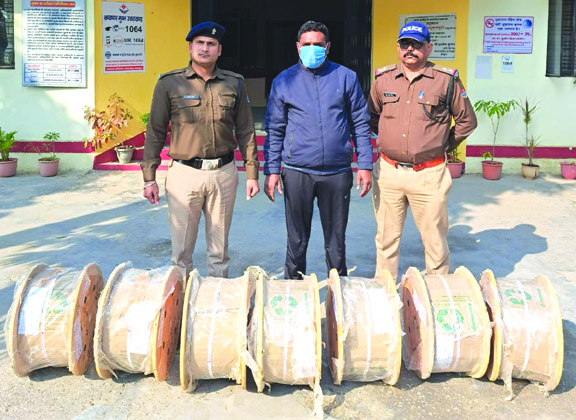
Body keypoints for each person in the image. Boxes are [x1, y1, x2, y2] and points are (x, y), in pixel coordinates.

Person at [141, 22, 260, 279]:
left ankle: (216, 298)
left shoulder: (234, 83)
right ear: (190, 47)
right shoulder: (169, 84)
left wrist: (252, 174)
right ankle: (180, 298)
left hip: (223, 174)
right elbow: (155, 131)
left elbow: (246, 131)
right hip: (185, 175)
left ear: (219, 50)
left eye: (211, 44)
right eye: (200, 43)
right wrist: (149, 178)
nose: (205, 48)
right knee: (182, 251)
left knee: (219, 250)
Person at [368, 21, 477, 281]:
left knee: (435, 242)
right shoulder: (383, 79)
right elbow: (371, 117)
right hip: (389, 173)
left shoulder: (446, 81)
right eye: (405, 44)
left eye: (416, 45)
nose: (410, 49)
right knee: (385, 240)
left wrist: (441, 144)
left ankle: (437, 291)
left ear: (429, 48)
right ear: (398, 48)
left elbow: (467, 121)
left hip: (429, 175)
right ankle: (384, 290)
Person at [264, 20, 373, 280]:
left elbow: (360, 122)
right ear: (297, 47)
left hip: (337, 172)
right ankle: (294, 290)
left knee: (336, 240)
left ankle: (338, 290)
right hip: (297, 171)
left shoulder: (346, 77)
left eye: (318, 44)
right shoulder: (284, 81)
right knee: (296, 239)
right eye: (307, 44)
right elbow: (275, 128)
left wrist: (365, 165)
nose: (312, 48)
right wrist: (272, 170)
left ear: (328, 47)